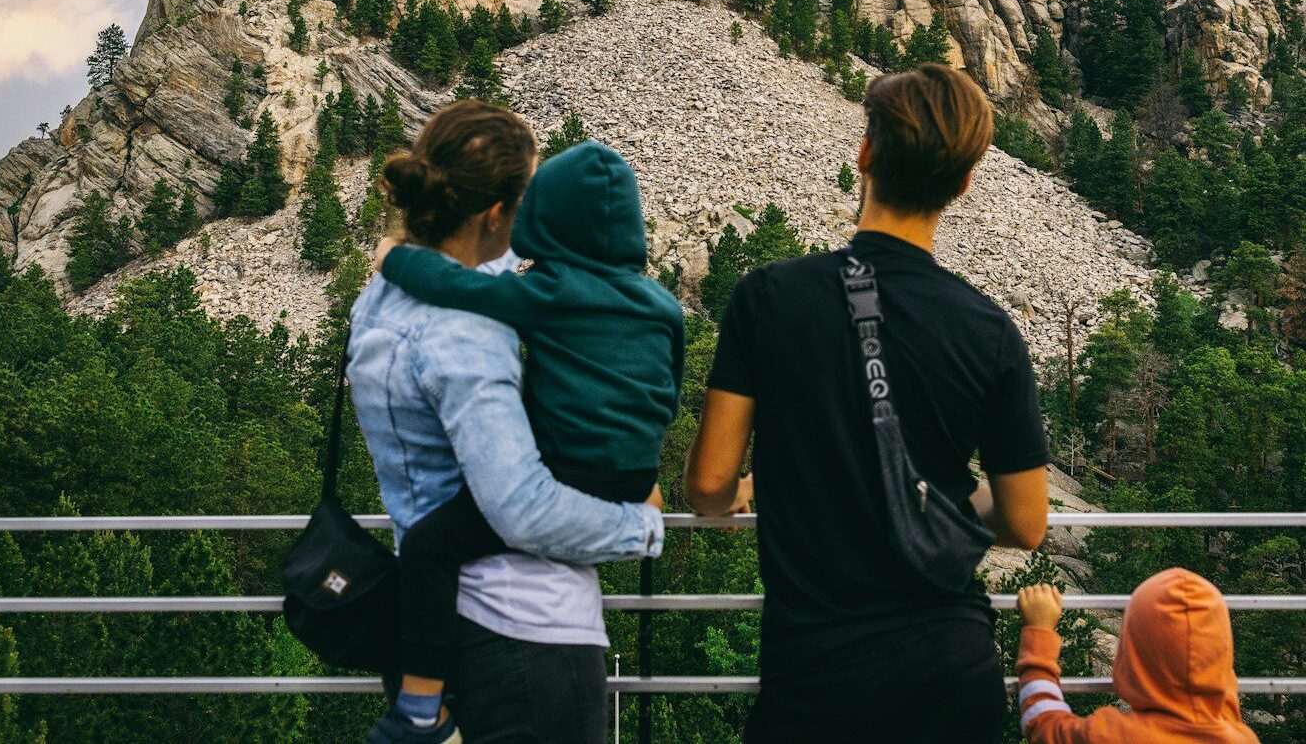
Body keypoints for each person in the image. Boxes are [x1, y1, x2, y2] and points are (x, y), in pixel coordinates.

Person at [684, 63, 1052, 743]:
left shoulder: (768, 298)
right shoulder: (989, 330)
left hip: (815, 678)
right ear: (964, 184)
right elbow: (1027, 521)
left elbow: (709, 483)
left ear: (865, 154)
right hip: (951, 673)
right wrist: (929, 500)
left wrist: (756, 489)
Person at [348, 101, 664, 744]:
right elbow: (521, 508)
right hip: (524, 639)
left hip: (431, 631)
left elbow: (473, 270)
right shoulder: (465, 330)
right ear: (496, 215)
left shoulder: (379, 300)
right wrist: (641, 526)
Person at [1014, 572, 1260, 743]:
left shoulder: (1111, 736)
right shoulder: (1242, 738)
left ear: (1131, 655)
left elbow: (1042, 723)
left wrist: (1040, 632)